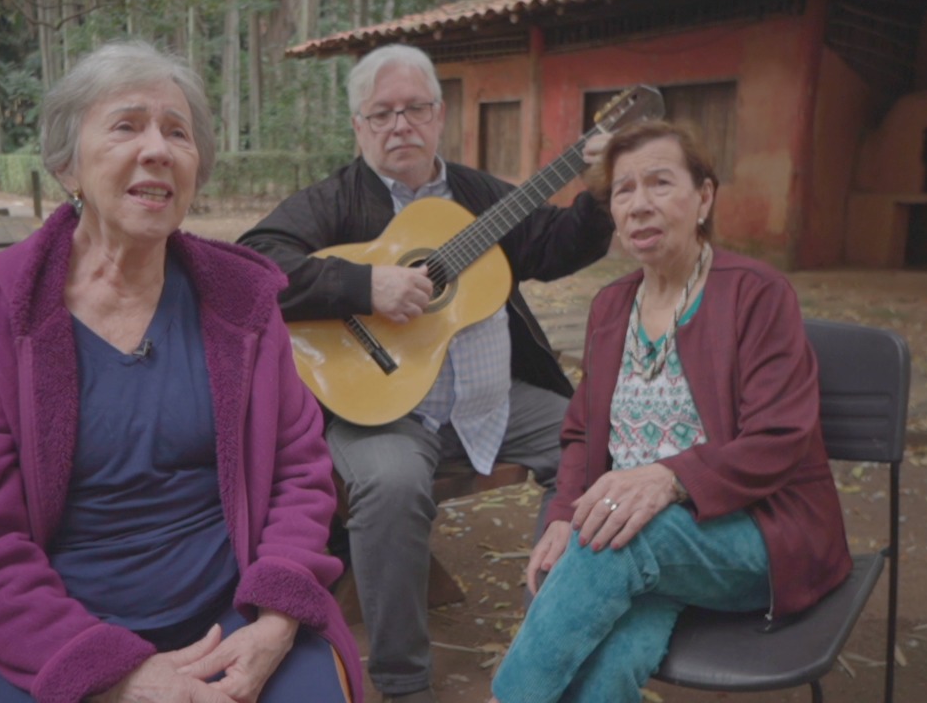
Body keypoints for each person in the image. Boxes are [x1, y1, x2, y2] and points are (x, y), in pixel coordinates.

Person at [0, 40, 362, 703]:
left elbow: (298, 472)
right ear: (67, 165)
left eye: (177, 132)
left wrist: (278, 619)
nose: (158, 149)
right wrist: (109, 672)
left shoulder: (242, 306)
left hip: (234, 621)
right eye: (126, 125)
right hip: (48, 636)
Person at [238, 44, 615, 703]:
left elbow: (555, 246)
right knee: (388, 482)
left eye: (413, 108)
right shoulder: (335, 199)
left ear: (439, 115)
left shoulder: (476, 195)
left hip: (492, 401)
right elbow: (255, 264)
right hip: (382, 409)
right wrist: (364, 284)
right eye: (380, 113)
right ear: (358, 127)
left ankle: (544, 646)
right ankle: (404, 684)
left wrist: (603, 190)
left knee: (594, 442)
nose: (399, 125)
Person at [487, 120, 853, 703]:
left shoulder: (755, 293)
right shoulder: (611, 306)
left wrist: (668, 478)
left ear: (704, 196)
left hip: (757, 531)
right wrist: (561, 513)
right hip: (640, 543)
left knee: (607, 539)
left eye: (660, 183)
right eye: (623, 190)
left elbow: (780, 435)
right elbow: (583, 432)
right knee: (602, 671)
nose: (638, 205)